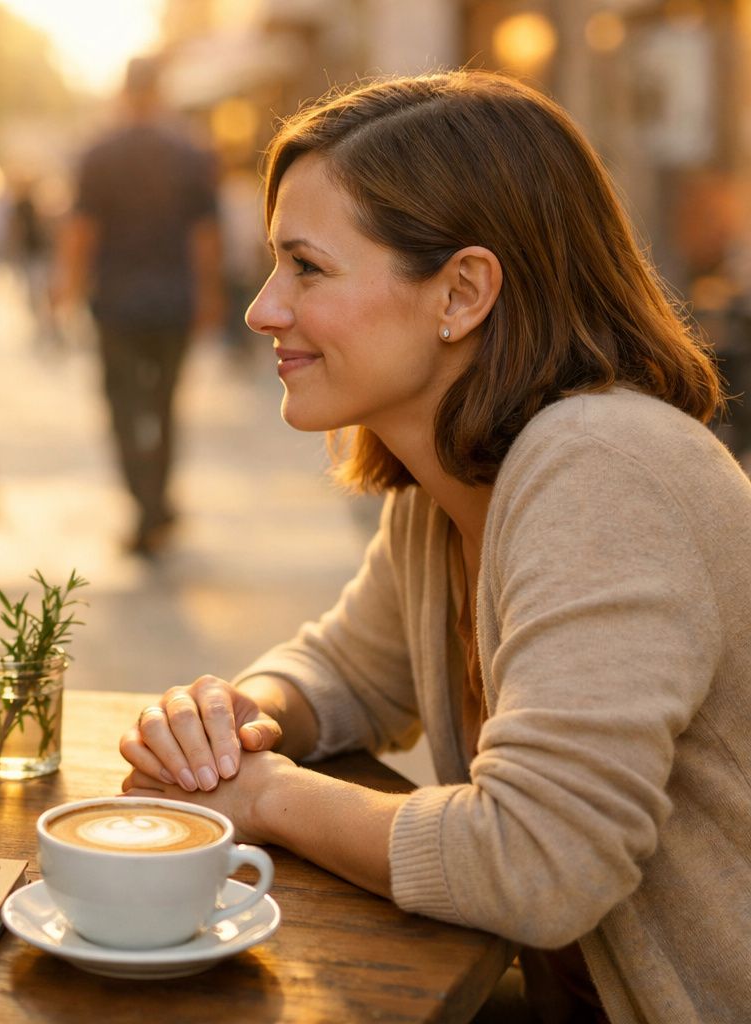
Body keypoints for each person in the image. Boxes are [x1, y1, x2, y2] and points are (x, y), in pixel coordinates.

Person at [118, 71, 750, 1023]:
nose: (262, 309)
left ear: (462, 291)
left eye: (307, 268)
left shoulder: (604, 470)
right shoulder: (449, 484)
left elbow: (538, 861)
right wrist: (239, 718)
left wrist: (268, 796)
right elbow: (347, 670)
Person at [56, 56, 224, 555]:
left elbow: (82, 230)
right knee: (165, 406)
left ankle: (146, 507)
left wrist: (68, 289)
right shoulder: (190, 152)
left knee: (124, 408)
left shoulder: (99, 154)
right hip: (174, 299)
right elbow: (205, 234)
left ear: (123, 93)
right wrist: (209, 293)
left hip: (116, 301)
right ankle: (159, 503)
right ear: (161, 92)